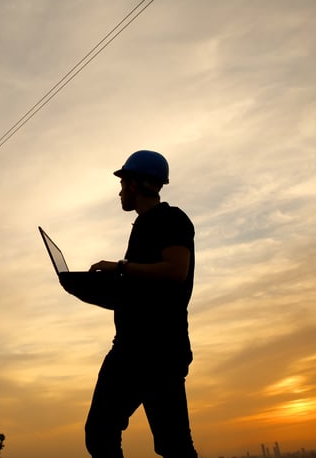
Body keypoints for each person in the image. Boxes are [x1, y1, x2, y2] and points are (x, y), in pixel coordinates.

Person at [82, 150, 198, 458]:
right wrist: (90, 289)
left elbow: (175, 271)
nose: (120, 192)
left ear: (135, 184)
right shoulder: (145, 226)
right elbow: (144, 290)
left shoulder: (170, 219)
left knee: (168, 443)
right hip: (135, 346)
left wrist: (120, 267)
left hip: (155, 350)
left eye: (123, 184)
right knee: (105, 433)